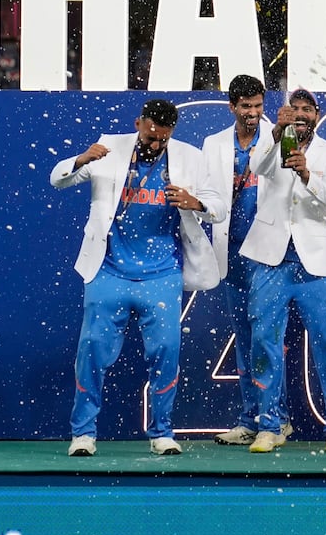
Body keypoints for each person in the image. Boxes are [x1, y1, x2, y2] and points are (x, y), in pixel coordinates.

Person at [50, 99, 222, 456]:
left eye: (163, 138)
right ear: (139, 123)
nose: (155, 143)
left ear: (172, 131)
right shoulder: (109, 147)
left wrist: (195, 202)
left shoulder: (190, 157)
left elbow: (217, 207)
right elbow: (58, 179)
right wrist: (82, 159)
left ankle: (161, 433)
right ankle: (83, 433)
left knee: (166, 353)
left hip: (162, 275)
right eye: (150, 135)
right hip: (108, 271)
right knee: (92, 351)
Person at [238, 88, 326, 454]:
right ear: (285, 113)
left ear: (317, 115)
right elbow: (258, 169)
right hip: (270, 260)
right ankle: (270, 425)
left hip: (314, 262)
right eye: (294, 109)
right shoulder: (269, 141)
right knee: (264, 346)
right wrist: (274, 137)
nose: (300, 114)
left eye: (307, 109)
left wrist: (306, 175)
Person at [202, 75, 287, 446]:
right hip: (231, 253)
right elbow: (209, 197)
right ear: (232, 107)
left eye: (258, 106)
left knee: (267, 339)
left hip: (268, 253)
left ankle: (274, 420)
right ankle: (250, 418)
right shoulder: (213, 144)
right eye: (246, 107)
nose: (253, 114)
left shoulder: (280, 135)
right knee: (246, 339)